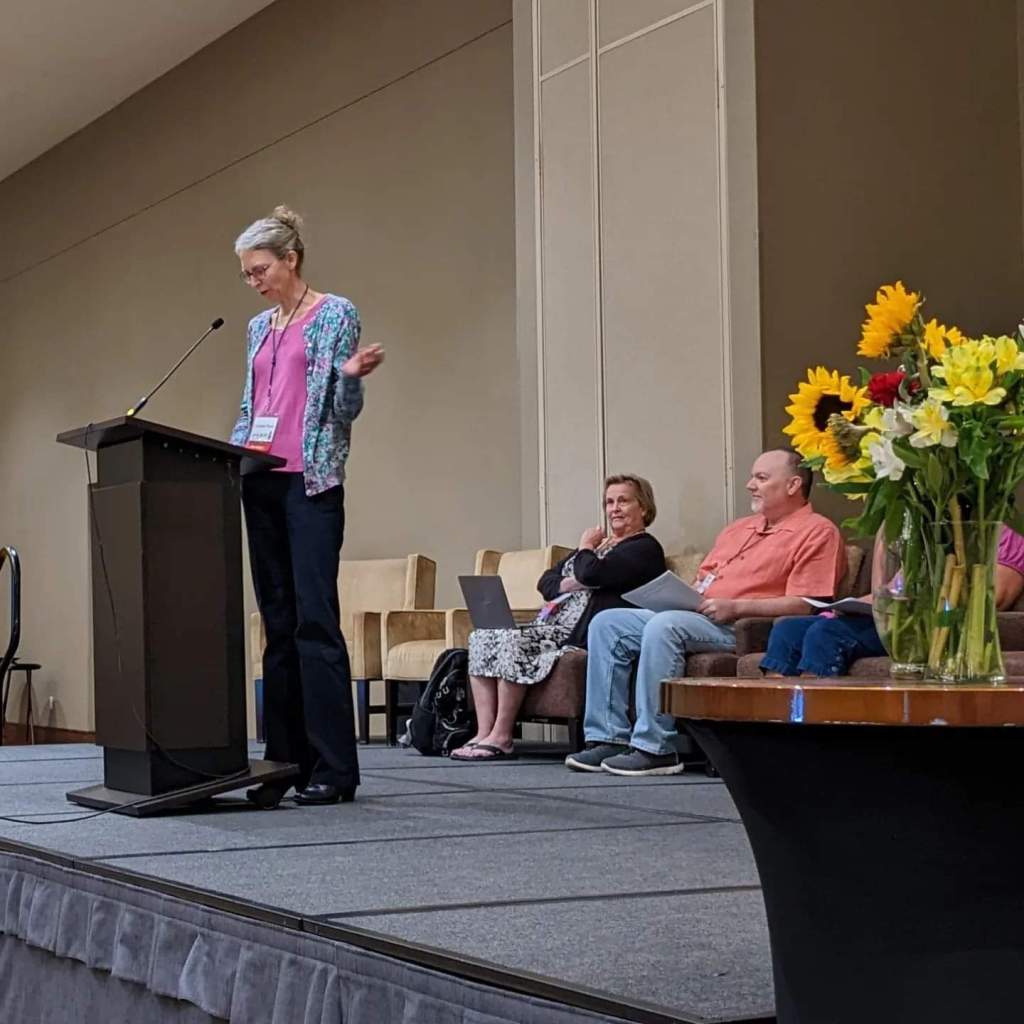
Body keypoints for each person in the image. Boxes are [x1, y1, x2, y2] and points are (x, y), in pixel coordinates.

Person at [231, 206, 384, 808]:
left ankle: (333, 769)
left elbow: (342, 413)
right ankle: (282, 764)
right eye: (246, 274)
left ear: (290, 260)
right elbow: (253, 404)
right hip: (259, 480)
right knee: (276, 626)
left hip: (310, 484)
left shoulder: (334, 314)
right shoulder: (255, 328)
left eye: (260, 269)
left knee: (314, 623)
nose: (254, 281)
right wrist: (232, 453)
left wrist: (350, 376)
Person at [567, 448, 845, 777]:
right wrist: (682, 596)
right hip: (699, 614)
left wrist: (736, 606)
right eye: (752, 476)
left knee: (666, 626)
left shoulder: (818, 531)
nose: (749, 485)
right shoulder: (737, 529)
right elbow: (704, 579)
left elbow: (807, 603)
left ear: (793, 484)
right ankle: (608, 737)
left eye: (761, 477)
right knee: (608, 623)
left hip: (743, 625)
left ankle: (655, 747)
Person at [450, 474, 666, 761]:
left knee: (514, 641)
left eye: (623, 501)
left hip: (582, 633)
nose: (614, 508)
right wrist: (571, 581)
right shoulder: (603, 548)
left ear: (644, 509)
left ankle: (502, 737)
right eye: (609, 502)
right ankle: (483, 732)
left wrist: (586, 547)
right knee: (482, 636)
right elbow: (546, 582)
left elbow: (591, 573)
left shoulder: (643, 548)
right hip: (550, 625)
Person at [760, 525, 1024, 676]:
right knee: (789, 628)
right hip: (893, 617)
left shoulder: (1001, 535)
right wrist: (838, 608)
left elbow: (994, 600)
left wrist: (918, 605)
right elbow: (891, 589)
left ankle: (817, 730)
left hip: (933, 627)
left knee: (825, 633)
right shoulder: (927, 534)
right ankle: (775, 730)